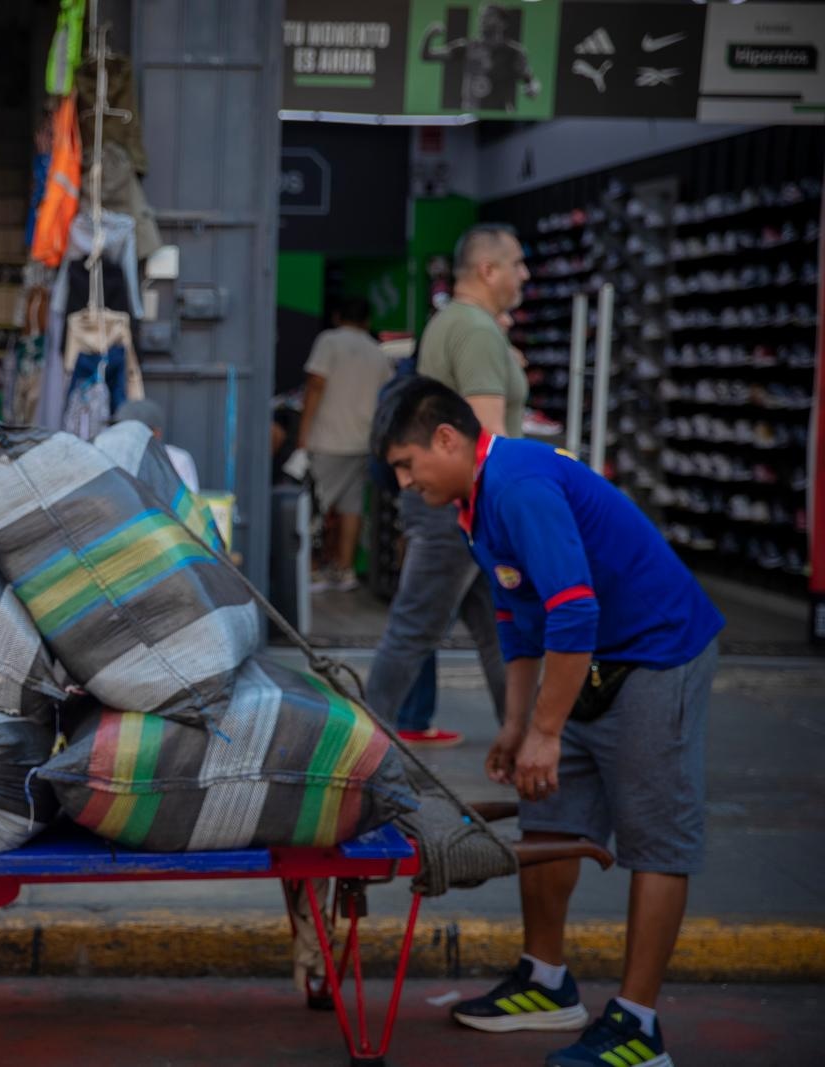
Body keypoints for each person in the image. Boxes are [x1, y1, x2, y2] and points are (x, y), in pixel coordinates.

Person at [373, 377, 722, 1067]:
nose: (407, 483)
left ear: (448, 438)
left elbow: (572, 610)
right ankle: (546, 978)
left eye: (408, 465)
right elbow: (520, 616)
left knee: (655, 838)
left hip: (656, 652)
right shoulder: (473, 505)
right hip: (587, 658)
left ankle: (638, 1026)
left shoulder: (518, 485)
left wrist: (546, 728)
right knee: (550, 814)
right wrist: (517, 723)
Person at [364, 223, 532, 747]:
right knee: (417, 627)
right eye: (518, 263)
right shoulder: (477, 331)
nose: (524, 274)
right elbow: (489, 440)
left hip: (458, 507)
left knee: (501, 630)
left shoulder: (454, 322)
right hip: (458, 508)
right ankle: (364, 743)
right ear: (488, 270)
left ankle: (525, 734)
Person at [290, 296, 393, 593]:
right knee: (351, 507)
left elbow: (315, 385)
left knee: (312, 506)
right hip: (363, 440)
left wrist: (304, 433)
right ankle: (344, 569)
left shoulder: (329, 341)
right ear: (367, 321)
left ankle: (311, 570)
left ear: (337, 316)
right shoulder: (377, 352)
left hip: (328, 438)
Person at [420, 4, 541, 113]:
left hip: (500, 117)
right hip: (470, 115)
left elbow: (531, 81)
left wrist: (532, 89)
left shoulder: (514, 52)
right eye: (481, 16)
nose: (482, 20)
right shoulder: (466, 47)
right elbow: (427, 56)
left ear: (502, 23)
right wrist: (429, 35)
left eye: (488, 16)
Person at [114, 397, 199, 491]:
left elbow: (188, 502)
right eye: (120, 428)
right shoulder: (110, 457)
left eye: (133, 431)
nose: (125, 435)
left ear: (156, 433)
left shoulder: (177, 459)